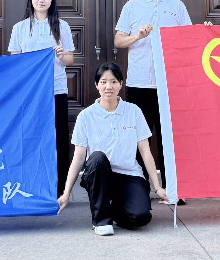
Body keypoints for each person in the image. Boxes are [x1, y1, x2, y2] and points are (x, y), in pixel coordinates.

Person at [115, 0, 207, 191]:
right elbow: (118, 40)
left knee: (171, 137)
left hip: (170, 82)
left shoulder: (177, 7)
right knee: (140, 136)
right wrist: (138, 36)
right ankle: (139, 188)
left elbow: (189, 39)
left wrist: (205, 32)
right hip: (139, 82)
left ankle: (174, 187)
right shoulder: (131, 6)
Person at [57, 63, 167, 235]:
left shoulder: (134, 111)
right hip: (100, 175)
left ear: (121, 84)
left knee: (141, 217)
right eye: (103, 82)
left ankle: (112, 208)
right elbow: (78, 158)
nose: (108, 86)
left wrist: (157, 186)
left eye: (114, 81)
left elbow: (145, 151)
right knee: (97, 157)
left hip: (129, 174)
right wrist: (66, 193)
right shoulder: (86, 116)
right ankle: (101, 220)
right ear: (97, 85)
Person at [7, 0, 75, 197]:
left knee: (58, 138)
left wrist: (61, 55)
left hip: (55, 91)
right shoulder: (20, 28)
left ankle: (60, 188)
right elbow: (15, 63)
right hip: (29, 94)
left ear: (52, 0)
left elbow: (70, 60)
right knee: (30, 137)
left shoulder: (62, 26)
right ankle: (31, 186)